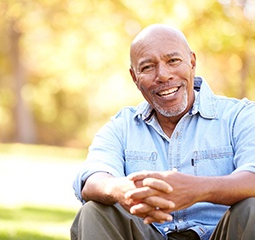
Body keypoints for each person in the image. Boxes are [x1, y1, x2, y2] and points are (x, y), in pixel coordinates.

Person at [70, 24, 255, 240]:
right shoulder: (122, 126)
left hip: (221, 233)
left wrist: (198, 189)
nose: (163, 75)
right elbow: (92, 178)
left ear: (192, 62)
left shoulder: (240, 115)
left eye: (173, 61)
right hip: (149, 233)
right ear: (134, 77)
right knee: (94, 211)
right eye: (148, 67)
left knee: (252, 206)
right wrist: (120, 189)